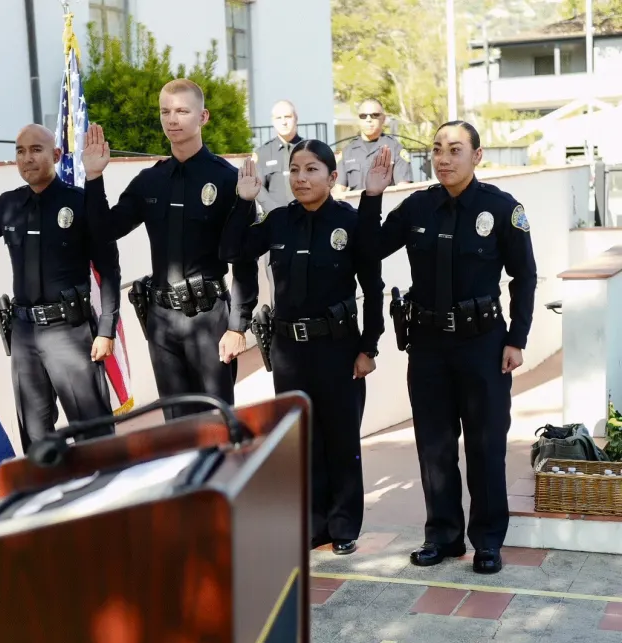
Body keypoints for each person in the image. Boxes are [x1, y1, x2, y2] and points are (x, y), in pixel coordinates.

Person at [360, 121, 537, 573]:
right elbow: (369, 249)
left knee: (485, 445)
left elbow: (524, 275)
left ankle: (488, 541)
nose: (443, 158)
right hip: (429, 345)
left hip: (483, 345)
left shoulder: (500, 209)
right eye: (437, 149)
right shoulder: (417, 207)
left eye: (455, 150)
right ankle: (442, 536)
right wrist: (373, 195)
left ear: (477, 157)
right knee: (434, 446)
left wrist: (517, 337)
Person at [226, 140, 384, 553]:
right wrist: (244, 203)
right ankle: (314, 524)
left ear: (333, 177)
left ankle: (344, 526)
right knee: (302, 440)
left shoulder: (349, 223)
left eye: (312, 170)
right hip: (289, 351)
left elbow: (374, 285)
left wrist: (370, 347)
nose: (301, 178)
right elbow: (233, 250)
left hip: (338, 347)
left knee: (341, 438)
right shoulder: (278, 221)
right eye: (294, 170)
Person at [82, 79, 258, 419]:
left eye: (181, 111)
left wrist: (238, 326)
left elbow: (244, 258)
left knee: (216, 422)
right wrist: (93, 178)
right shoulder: (151, 180)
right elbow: (104, 230)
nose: (172, 119)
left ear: (202, 116)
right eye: (165, 111)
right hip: (161, 319)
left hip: (208, 318)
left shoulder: (227, 179)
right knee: (176, 426)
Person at [0, 126, 120, 452]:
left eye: (36, 149)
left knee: (94, 434)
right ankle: (50, 500)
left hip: (72, 333)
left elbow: (109, 269)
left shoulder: (80, 203)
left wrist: (106, 330)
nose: (27, 158)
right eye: (20, 151)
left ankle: (105, 497)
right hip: (24, 336)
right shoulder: (9, 206)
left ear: (56, 156)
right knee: (36, 439)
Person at [337, 99, 413, 192]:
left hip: (386, 205)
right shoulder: (347, 152)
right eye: (363, 116)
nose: (368, 119)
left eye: (375, 115)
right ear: (358, 119)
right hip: (356, 206)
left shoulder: (395, 149)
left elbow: (403, 189)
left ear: (383, 119)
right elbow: (338, 190)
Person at [254, 100, 304, 212]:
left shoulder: (309, 149)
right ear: (273, 121)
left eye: (287, 117)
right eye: (278, 118)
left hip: (308, 216)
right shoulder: (263, 153)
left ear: (296, 118)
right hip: (276, 218)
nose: (284, 122)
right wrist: (275, 211)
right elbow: (258, 188)